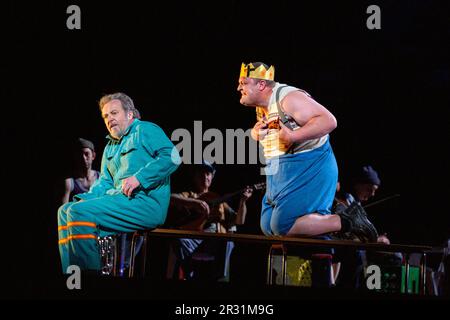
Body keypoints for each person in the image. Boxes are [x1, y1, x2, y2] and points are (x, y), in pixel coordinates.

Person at [237, 62, 378, 242]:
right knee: (267, 226)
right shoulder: (263, 106)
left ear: (261, 85)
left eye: (244, 82)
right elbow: (277, 134)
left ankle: (348, 221)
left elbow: (329, 121)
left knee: (282, 225)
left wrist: (294, 136)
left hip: (310, 163)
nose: (239, 87)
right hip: (282, 169)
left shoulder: (288, 99)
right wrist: (256, 133)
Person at [57, 92, 181, 273]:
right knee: (65, 211)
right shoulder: (110, 147)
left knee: (78, 213)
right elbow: (104, 183)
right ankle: (72, 277)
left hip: (145, 203)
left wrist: (140, 177)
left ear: (129, 114)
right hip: (119, 202)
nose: (109, 119)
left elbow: (173, 157)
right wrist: (86, 198)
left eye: (114, 113)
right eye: (106, 116)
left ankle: (88, 278)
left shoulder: (145, 130)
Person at [167, 161, 253, 280]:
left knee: (228, 240)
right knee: (177, 239)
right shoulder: (190, 195)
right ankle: (188, 275)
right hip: (194, 240)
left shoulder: (218, 199)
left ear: (212, 177)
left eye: (208, 173)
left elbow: (239, 221)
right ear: (195, 176)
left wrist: (243, 201)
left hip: (214, 241)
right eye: (201, 173)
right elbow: (171, 198)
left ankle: (219, 278)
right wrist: (195, 203)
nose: (205, 176)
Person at [62, 138, 100, 204]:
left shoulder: (101, 178)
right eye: (80, 154)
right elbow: (63, 211)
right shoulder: (69, 182)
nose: (83, 158)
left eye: (86, 154)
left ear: (93, 156)